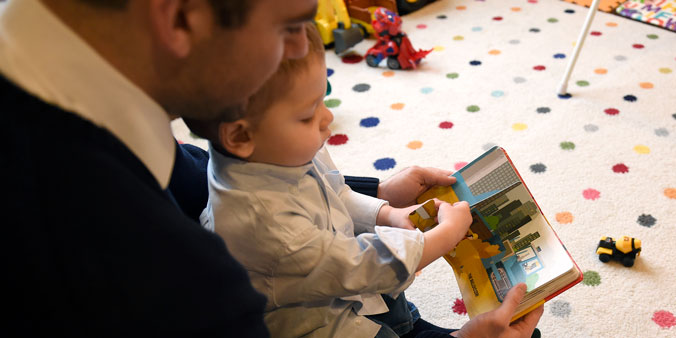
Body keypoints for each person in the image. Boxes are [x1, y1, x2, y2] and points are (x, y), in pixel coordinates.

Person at [1, 0, 541, 337]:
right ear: (181, 16)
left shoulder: (121, 129)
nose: (296, 49)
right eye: (288, 25)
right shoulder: (158, 276)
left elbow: (273, 183)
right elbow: (313, 248)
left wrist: (381, 197)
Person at [184, 23, 541, 338]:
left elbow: (335, 191)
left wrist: (387, 215)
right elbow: (366, 265)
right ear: (240, 135)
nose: (327, 119)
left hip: (346, 290)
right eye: (308, 114)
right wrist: (446, 236)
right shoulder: (263, 221)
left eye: (322, 99)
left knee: (393, 299)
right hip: (323, 325)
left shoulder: (274, 153)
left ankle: (407, 327)